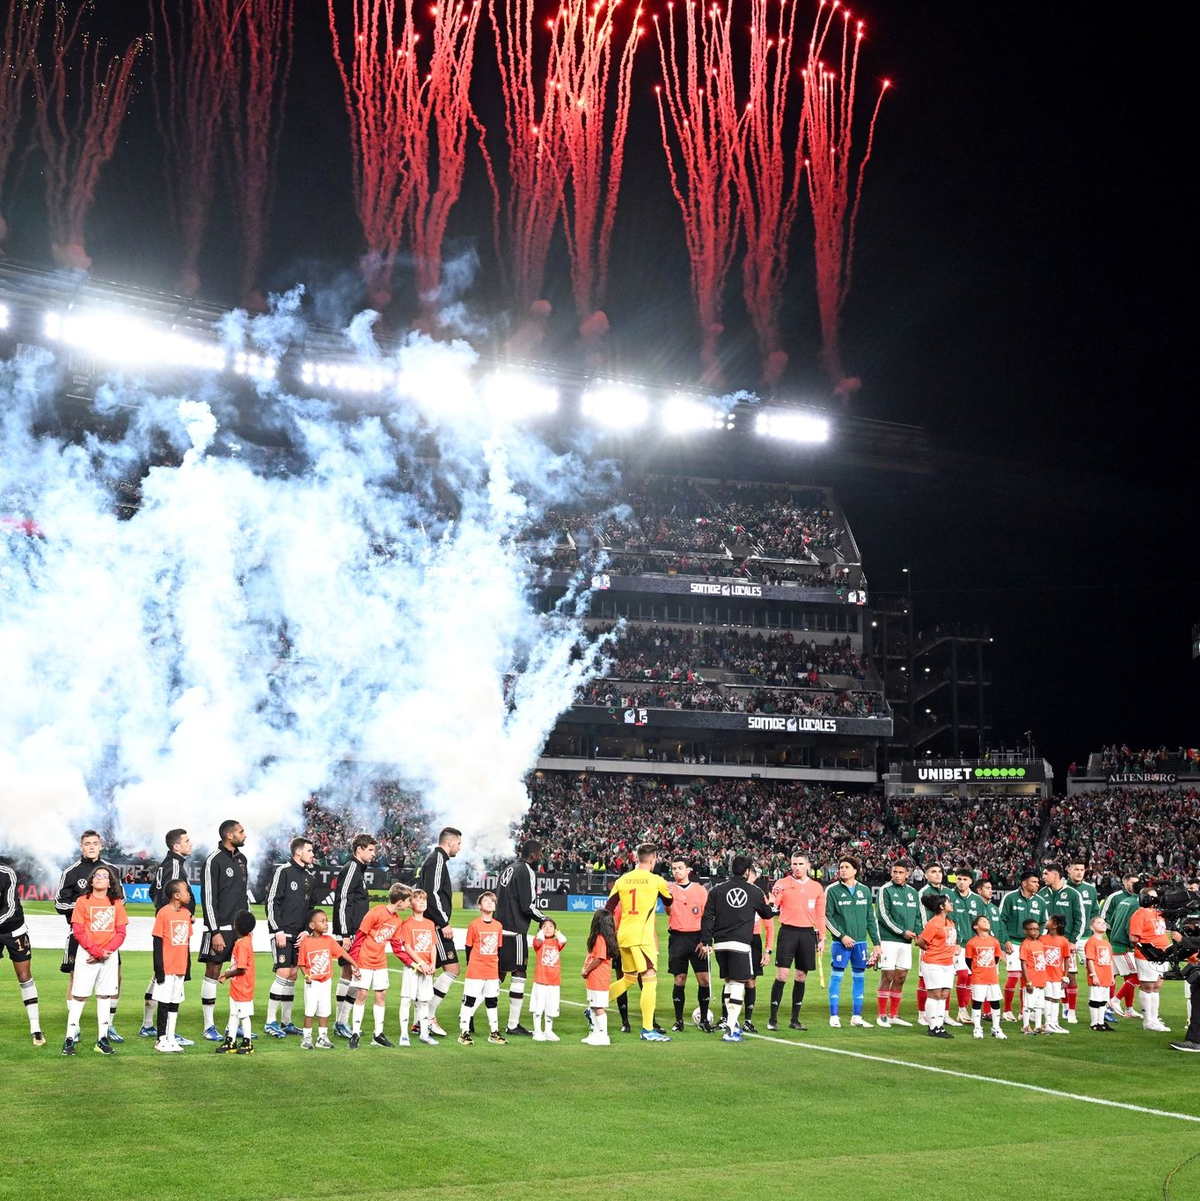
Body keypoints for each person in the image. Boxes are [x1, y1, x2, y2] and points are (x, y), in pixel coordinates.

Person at [55, 831, 125, 1042]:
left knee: (116, 978)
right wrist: (85, 907)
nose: (92, 847)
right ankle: (74, 1028)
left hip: (107, 937)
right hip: (80, 936)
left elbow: (122, 901)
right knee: (75, 979)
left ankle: (108, 1026)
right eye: (87, 844)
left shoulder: (111, 870)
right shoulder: (71, 872)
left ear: (101, 846)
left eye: (95, 843)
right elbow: (59, 903)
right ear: (81, 847)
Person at [700, 856, 776, 1043]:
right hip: (740, 943)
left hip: (720, 944)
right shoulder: (754, 891)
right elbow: (767, 914)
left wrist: (707, 941)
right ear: (748, 871)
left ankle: (731, 1025)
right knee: (738, 983)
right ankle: (731, 1029)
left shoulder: (717, 890)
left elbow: (707, 916)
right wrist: (772, 903)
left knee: (728, 981)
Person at [606, 843, 674, 1041]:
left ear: (637, 858)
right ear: (653, 860)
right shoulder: (656, 880)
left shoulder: (623, 879)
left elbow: (608, 908)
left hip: (624, 936)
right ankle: (647, 1029)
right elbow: (669, 902)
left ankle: (594, 1007)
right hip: (642, 938)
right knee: (650, 978)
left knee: (628, 979)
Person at [63, 865, 127, 1056]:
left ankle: (102, 1038)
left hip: (109, 955)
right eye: (97, 876)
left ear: (110, 882)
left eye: (104, 876)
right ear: (91, 880)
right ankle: (69, 1038)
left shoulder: (116, 903)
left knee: (105, 995)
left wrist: (106, 951)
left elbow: (121, 932)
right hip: (87, 954)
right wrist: (96, 951)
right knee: (80, 996)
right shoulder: (82, 901)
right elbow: (78, 930)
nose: (100, 878)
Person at [140, 828, 195, 1041]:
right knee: (166, 979)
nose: (191, 844)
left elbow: (152, 890)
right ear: (176, 846)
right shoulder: (173, 866)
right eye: (187, 841)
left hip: (169, 926)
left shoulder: (169, 864)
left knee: (158, 978)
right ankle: (165, 1033)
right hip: (173, 932)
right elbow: (168, 895)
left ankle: (148, 1025)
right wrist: (175, 916)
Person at [199, 819, 250, 1041]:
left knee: (238, 974)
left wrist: (247, 927)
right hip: (219, 928)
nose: (244, 835)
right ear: (229, 835)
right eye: (241, 831)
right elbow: (208, 899)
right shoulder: (213, 860)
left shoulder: (242, 859)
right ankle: (209, 1026)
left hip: (239, 932)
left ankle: (234, 1023)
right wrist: (214, 931)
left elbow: (242, 894)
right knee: (212, 972)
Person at [347, 882, 414, 1049]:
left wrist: (412, 963)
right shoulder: (376, 912)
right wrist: (354, 963)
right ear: (400, 902)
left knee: (381, 995)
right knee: (362, 994)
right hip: (364, 961)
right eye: (408, 901)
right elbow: (359, 937)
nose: (410, 904)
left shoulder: (397, 920)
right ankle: (355, 1033)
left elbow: (397, 947)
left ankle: (378, 1034)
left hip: (380, 962)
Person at [264, 836, 316, 1038]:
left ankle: (286, 1022)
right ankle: (270, 1022)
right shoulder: (283, 872)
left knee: (293, 975)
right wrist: (277, 929)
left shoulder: (310, 878)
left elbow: (310, 908)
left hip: (300, 935)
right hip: (283, 932)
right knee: (283, 973)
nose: (312, 854)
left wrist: (307, 931)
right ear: (298, 852)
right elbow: (272, 901)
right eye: (309, 851)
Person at [768, 851, 825, 1031]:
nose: (797, 867)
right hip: (788, 932)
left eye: (801, 864)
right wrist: (773, 900)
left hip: (807, 934)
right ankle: (773, 1019)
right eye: (794, 864)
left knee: (801, 976)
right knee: (782, 975)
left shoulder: (816, 887)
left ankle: (795, 1020)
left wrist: (822, 938)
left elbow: (820, 915)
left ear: (808, 866)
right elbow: (774, 906)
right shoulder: (782, 884)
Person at [824, 855, 880, 1028]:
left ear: (855, 871)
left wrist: (877, 943)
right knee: (837, 977)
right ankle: (834, 1016)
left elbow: (871, 918)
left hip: (860, 943)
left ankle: (857, 1016)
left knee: (859, 978)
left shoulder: (864, 890)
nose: (842, 869)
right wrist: (842, 936)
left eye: (846, 867)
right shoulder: (832, 890)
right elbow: (826, 917)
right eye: (841, 867)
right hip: (841, 943)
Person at [496, 839, 544, 1038]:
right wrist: (544, 919)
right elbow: (527, 905)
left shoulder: (509, 868)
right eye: (540, 854)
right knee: (519, 973)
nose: (541, 857)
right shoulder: (527, 871)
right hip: (515, 930)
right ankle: (513, 1024)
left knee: (496, 976)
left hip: (500, 927)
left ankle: (469, 1016)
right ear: (532, 855)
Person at [418, 827, 462, 1036]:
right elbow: (432, 894)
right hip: (435, 924)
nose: (459, 848)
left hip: (432, 923)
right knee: (452, 969)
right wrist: (443, 922)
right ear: (450, 842)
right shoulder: (437, 859)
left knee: (428, 971)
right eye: (459, 843)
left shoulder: (436, 860)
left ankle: (421, 1019)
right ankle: (428, 1016)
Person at [332, 834, 376, 1038]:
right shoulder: (351, 869)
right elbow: (342, 901)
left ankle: (340, 1022)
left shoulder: (358, 870)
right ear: (359, 849)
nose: (373, 854)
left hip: (354, 932)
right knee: (352, 973)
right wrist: (344, 934)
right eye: (371, 850)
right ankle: (341, 1022)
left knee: (348, 974)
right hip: (349, 933)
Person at [297, 907, 358, 1050]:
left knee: (325, 1010)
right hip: (313, 983)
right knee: (310, 1011)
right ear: (312, 925)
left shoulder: (329, 940)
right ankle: (306, 1038)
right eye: (322, 921)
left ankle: (322, 1037)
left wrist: (354, 963)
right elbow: (301, 963)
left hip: (326, 982)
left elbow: (342, 952)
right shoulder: (306, 942)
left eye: (327, 921)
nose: (326, 924)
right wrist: (306, 975)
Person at [0, 860, 45, 1046]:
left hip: (14, 929)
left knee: (24, 976)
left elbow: (9, 908)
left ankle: (35, 1028)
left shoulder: (6, 872)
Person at [1038, 863, 1087, 1025]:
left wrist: (1073, 941)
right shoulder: (1042, 893)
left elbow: (1080, 919)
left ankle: (1070, 1010)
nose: (1043, 877)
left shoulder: (1072, 894)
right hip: (1046, 943)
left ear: (1055, 875)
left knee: (1069, 975)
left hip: (1065, 942)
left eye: (1046, 874)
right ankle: (1045, 1009)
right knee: (1045, 975)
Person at [875, 860, 920, 1029]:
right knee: (887, 976)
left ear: (907, 874)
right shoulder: (885, 890)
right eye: (895, 872)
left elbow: (917, 915)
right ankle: (882, 1015)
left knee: (901, 977)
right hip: (888, 940)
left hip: (906, 942)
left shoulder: (913, 893)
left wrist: (917, 932)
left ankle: (893, 1014)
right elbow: (883, 916)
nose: (897, 875)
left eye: (901, 872)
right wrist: (902, 931)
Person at [667, 857, 710, 1033]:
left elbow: (708, 917)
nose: (676, 871)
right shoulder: (668, 889)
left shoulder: (700, 890)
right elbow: (668, 910)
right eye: (674, 868)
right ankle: (679, 1020)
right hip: (677, 938)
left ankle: (705, 1020)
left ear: (688, 870)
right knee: (679, 979)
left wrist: (706, 940)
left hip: (697, 939)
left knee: (704, 980)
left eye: (680, 868)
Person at [150, 878, 193, 1053]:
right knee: (164, 1002)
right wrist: (158, 968)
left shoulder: (186, 914)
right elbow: (157, 942)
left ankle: (171, 1036)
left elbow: (187, 942)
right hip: (167, 967)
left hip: (180, 967)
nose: (188, 894)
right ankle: (161, 1038)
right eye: (185, 891)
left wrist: (187, 968)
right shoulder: (163, 913)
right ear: (176, 895)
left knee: (175, 1002)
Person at [998, 870, 1047, 1023]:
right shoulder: (1010, 897)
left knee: (1027, 979)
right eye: (1034, 882)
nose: (1037, 884)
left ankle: (1023, 1011)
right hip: (1013, 942)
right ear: (1024, 883)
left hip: (1031, 945)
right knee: (1013, 977)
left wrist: (1037, 941)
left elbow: (1043, 923)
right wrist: (1005, 940)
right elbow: (1001, 921)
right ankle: (1007, 1010)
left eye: (1038, 882)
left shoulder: (1040, 901)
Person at [458, 891, 506, 1045]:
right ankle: (463, 1032)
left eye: (492, 901)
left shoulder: (498, 926)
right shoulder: (474, 925)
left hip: (491, 971)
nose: (490, 903)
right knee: (469, 1001)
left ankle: (494, 1032)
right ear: (479, 906)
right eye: (486, 901)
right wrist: (472, 966)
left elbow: (498, 949)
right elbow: (468, 947)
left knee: (492, 1002)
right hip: (476, 970)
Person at [398, 889, 439, 1047]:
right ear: (410, 904)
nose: (422, 902)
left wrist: (433, 965)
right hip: (413, 967)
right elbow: (408, 947)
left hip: (428, 968)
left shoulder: (430, 923)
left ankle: (424, 1034)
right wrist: (421, 963)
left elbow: (433, 946)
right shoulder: (407, 924)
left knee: (424, 1001)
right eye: (417, 899)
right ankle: (403, 1035)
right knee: (407, 999)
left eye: (424, 900)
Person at [1129, 888, 1172, 1032]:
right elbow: (1134, 938)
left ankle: (1154, 1018)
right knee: (1148, 987)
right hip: (1148, 955)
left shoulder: (1159, 913)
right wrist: (1146, 949)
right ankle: (1148, 1020)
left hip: (1163, 954)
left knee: (1157, 986)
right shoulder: (1139, 914)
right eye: (1151, 897)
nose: (1155, 900)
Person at [915, 862, 953, 1027]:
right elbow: (923, 918)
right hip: (933, 942)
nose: (937, 874)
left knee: (944, 988)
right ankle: (924, 1015)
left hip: (946, 945)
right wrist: (930, 942)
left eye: (939, 871)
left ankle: (943, 1016)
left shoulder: (948, 893)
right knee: (928, 983)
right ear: (926, 875)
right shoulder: (923, 892)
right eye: (933, 871)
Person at [1100, 873, 1142, 1019]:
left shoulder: (1130, 900)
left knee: (1123, 976)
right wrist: (1114, 937)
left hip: (1119, 944)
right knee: (1134, 975)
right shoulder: (1116, 897)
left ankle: (1128, 1009)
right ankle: (1112, 1004)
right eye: (1132, 882)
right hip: (1122, 944)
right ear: (1124, 882)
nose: (1134, 886)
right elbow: (1105, 919)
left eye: (1137, 883)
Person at [914, 893, 956, 1039]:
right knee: (934, 994)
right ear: (941, 906)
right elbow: (920, 941)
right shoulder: (934, 923)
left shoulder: (950, 922)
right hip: (933, 963)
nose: (951, 904)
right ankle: (933, 1027)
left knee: (944, 994)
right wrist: (932, 950)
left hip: (948, 963)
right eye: (948, 902)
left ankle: (939, 1025)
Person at [216, 910, 257, 1055]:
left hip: (243, 987)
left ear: (236, 926)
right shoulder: (244, 941)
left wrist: (226, 975)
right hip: (237, 986)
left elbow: (241, 968)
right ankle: (231, 1040)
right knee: (233, 1014)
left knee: (244, 1015)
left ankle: (247, 1042)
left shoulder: (243, 945)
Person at [949, 869, 986, 1024]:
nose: (961, 882)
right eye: (959, 879)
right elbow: (950, 920)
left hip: (973, 944)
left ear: (971, 881)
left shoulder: (977, 900)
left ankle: (971, 1009)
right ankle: (961, 1009)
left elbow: (981, 922)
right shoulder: (950, 896)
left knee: (971, 977)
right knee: (963, 974)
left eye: (964, 879)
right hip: (956, 945)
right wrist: (956, 941)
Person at [964, 914, 1006, 1040]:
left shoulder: (994, 941)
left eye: (987, 921)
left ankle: (996, 1028)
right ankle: (977, 1027)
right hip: (978, 978)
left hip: (992, 977)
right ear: (976, 926)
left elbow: (996, 958)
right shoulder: (972, 943)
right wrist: (978, 970)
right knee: (977, 1002)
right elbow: (968, 961)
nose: (987, 922)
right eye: (983, 921)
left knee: (995, 1002)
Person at [581, 909, 618, 1047]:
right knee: (593, 1006)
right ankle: (596, 1033)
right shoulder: (605, 938)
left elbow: (598, 958)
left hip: (598, 977)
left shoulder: (600, 939)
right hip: (596, 978)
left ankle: (603, 1034)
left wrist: (586, 970)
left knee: (598, 1007)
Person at [744, 864, 773, 1033]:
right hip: (736, 937)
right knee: (731, 979)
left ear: (753, 877)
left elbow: (769, 925)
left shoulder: (759, 895)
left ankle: (747, 1020)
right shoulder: (735, 892)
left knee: (751, 980)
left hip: (754, 939)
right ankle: (726, 1018)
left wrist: (768, 950)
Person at [530, 917, 567, 1042]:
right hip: (541, 980)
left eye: (551, 926)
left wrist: (557, 933)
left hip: (554, 981)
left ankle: (548, 1030)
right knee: (539, 1006)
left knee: (551, 1007)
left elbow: (564, 940)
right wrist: (541, 931)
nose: (548, 928)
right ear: (540, 929)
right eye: (544, 926)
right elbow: (539, 938)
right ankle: (537, 1030)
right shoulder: (538, 942)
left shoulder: (557, 943)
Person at [1083, 916, 1116, 1032]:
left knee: (1103, 1001)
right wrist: (1093, 974)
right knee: (1095, 1000)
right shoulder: (1091, 942)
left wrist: (1112, 976)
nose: (1103, 924)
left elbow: (1110, 961)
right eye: (1099, 923)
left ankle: (1101, 1022)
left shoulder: (1106, 943)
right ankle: (1094, 1023)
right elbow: (1090, 960)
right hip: (1098, 975)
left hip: (1106, 976)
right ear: (1092, 927)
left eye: (1104, 923)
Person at [1041, 915, 1072, 1034]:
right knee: (1048, 997)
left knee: (1055, 998)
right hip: (1045, 975)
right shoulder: (1042, 939)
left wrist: (1065, 975)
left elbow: (1066, 959)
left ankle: (1054, 1022)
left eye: (1049, 920)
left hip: (1057, 975)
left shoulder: (1063, 941)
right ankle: (1048, 1022)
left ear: (1054, 925)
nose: (1046, 922)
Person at [1019, 918, 1048, 1035]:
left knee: (1039, 1005)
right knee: (1028, 1004)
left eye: (1037, 929)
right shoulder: (1025, 945)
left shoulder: (1040, 943)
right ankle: (1026, 1026)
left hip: (1041, 979)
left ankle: (1038, 1026)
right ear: (1025, 931)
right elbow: (1024, 964)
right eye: (1032, 929)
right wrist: (1028, 982)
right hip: (1031, 980)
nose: (1036, 931)